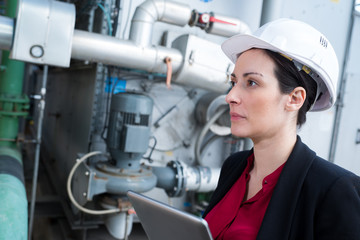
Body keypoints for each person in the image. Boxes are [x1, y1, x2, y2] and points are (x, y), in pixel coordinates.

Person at [202, 18, 360, 240]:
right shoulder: (234, 167)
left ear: (295, 99)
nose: (230, 97)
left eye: (252, 83)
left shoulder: (333, 190)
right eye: (233, 82)